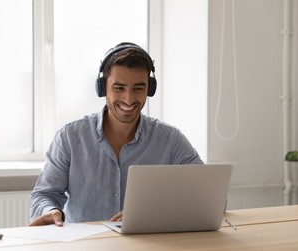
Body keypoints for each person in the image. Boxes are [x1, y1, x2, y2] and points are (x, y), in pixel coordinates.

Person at [29, 42, 203, 227]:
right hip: (85, 248)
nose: (129, 99)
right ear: (103, 88)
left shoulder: (170, 140)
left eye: (138, 88)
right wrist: (51, 211)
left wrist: (154, 212)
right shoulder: (70, 137)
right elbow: (44, 195)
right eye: (119, 88)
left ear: (150, 89)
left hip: (146, 248)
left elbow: (207, 195)